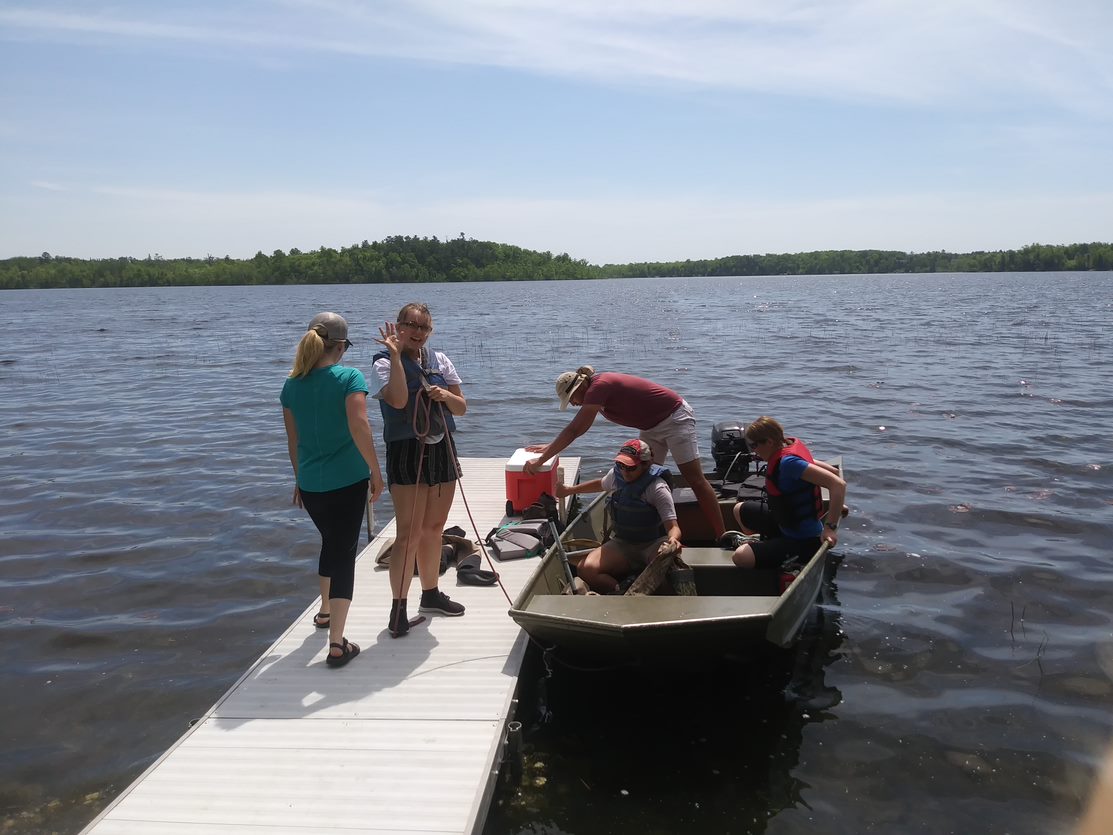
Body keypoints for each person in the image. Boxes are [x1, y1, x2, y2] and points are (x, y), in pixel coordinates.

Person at [281, 312, 385, 669]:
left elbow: (293, 443)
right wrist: (376, 471)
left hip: (311, 485)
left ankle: (324, 611)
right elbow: (360, 425)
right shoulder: (349, 377)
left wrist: (299, 480)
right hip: (348, 480)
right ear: (340, 347)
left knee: (330, 543)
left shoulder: (292, 385)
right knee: (345, 556)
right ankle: (337, 644)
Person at [524, 366, 727, 542]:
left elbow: (576, 429)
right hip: (651, 427)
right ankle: (650, 535)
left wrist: (543, 459)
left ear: (579, 387)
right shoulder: (595, 392)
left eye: (572, 399)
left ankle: (722, 535)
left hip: (675, 418)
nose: (574, 404)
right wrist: (551, 446)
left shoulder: (599, 386)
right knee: (640, 480)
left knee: (695, 480)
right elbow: (575, 428)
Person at [372, 303, 467, 637]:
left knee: (435, 527)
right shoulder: (384, 363)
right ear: (398, 327)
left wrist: (443, 395)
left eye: (424, 327)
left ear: (431, 330)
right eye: (410, 325)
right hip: (407, 449)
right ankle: (398, 611)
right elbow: (397, 401)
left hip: (441, 445)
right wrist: (397, 357)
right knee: (408, 533)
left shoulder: (440, 361)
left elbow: (462, 407)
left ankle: (430, 594)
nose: (417, 332)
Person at [554, 439, 681, 594]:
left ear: (646, 465)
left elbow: (673, 527)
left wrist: (673, 540)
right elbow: (600, 484)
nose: (625, 471)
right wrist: (569, 490)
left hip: (652, 544)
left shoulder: (657, 488)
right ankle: (620, 591)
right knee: (585, 569)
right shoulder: (616, 476)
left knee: (663, 572)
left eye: (631, 468)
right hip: (623, 543)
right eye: (621, 465)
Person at [729, 416, 846, 571]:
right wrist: (838, 506)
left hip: (804, 539)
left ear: (769, 442)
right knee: (739, 510)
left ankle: (781, 560)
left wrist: (830, 526)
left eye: (754, 445)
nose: (753, 451)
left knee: (740, 557)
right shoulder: (785, 451)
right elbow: (834, 471)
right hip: (785, 523)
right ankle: (766, 547)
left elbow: (838, 484)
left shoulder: (788, 464)